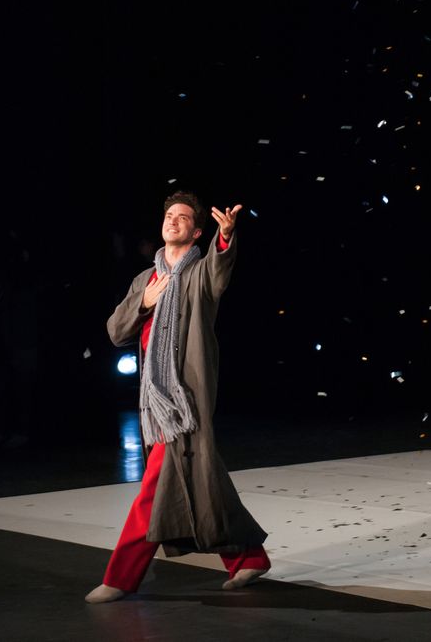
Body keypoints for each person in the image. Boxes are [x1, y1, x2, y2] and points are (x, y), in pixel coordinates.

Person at [85, 191, 270, 603]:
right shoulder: (144, 279)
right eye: (169, 215)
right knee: (205, 483)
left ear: (196, 230)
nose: (173, 221)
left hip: (187, 399)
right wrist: (144, 303)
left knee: (155, 488)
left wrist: (226, 239)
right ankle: (248, 559)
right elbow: (116, 331)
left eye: (183, 218)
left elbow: (220, 271)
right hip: (157, 403)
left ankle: (121, 576)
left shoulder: (200, 272)